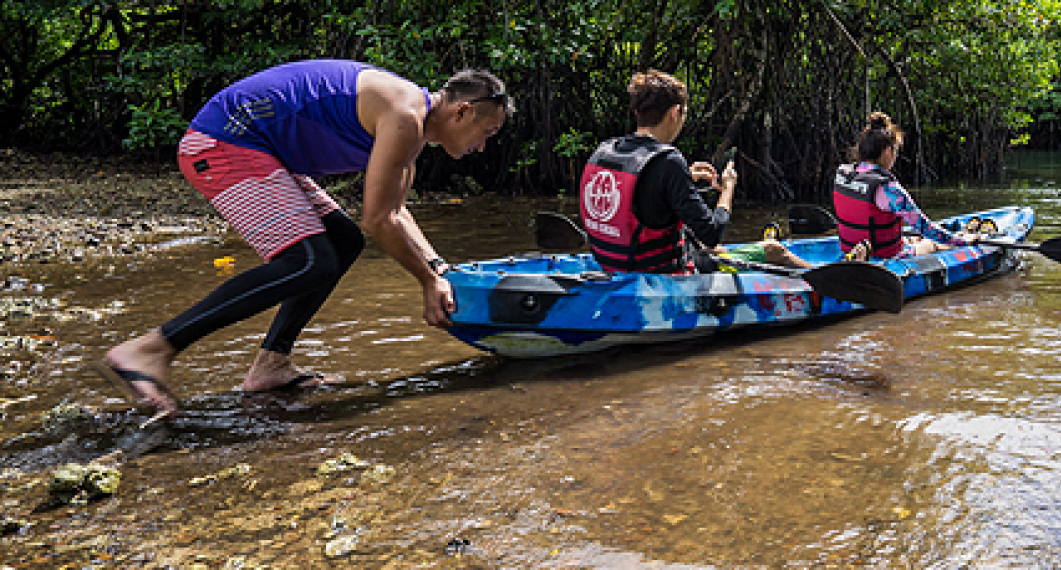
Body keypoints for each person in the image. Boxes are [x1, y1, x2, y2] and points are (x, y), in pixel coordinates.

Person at [100, 60, 510, 421]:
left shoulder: (413, 125)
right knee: (308, 261)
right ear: (463, 111)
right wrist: (426, 282)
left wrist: (439, 270)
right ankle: (152, 349)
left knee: (342, 242)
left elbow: (396, 213)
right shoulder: (403, 114)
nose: (483, 146)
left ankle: (270, 365)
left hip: (262, 151)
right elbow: (378, 219)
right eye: (487, 132)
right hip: (223, 141)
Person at [579, 70, 806, 273]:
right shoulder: (668, 161)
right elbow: (711, 233)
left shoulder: (607, 150)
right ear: (675, 113)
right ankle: (837, 288)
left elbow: (641, 194)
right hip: (662, 273)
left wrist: (686, 176)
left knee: (712, 249)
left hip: (614, 264)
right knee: (774, 250)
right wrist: (727, 190)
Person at [832, 112, 973, 260]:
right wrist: (962, 242)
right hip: (886, 256)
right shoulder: (888, 189)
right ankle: (959, 238)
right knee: (931, 243)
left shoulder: (843, 174)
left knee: (910, 239)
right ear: (888, 152)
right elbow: (925, 228)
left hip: (850, 250)